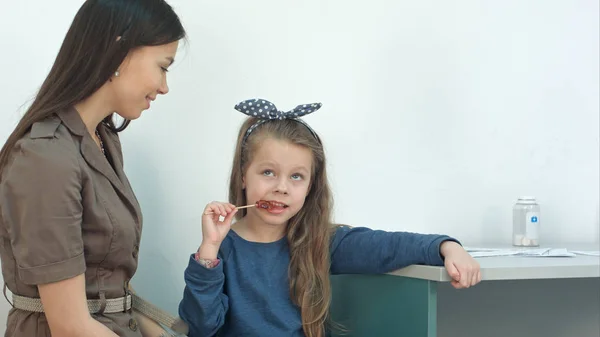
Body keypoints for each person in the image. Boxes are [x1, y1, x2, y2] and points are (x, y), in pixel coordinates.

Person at [178, 98, 482, 337]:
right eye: (268, 172)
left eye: (296, 176)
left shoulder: (323, 242)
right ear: (243, 175)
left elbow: (388, 246)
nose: (281, 187)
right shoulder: (222, 251)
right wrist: (209, 249)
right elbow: (201, 327)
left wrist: (446, 247)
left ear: (311, 187)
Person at [0, 1, 186, 336]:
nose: (164, 86)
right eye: (163, 66)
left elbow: (106, 290)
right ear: (121, 51)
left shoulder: (103, 139)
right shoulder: (44, 158)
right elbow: (71, 326)